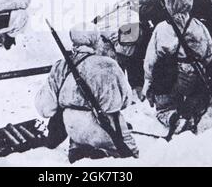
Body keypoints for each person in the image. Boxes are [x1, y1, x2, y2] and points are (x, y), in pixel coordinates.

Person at [35, 23, 139, 163]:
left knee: (80, 144)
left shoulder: (61, 66)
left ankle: (78, 150)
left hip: (73, 128)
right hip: (104, 127)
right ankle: (103, 151)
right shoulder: (108, 64)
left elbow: (45, 107)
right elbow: (124, 101)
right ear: (94, 40)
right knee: (133, 157)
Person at [140, 0, 212, 134]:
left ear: (169, 5)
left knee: (163, 107)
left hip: (168, 78)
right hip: (192, 76)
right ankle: (190, 112)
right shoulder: (199, 26)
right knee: (197, 95)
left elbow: (151, 59)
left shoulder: (161, 28)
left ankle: (171, 116)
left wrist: (148, 83)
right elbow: (210, 52)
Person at [95, 0, 161, 92]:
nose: (152, 14)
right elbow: (126, 51)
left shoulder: (123, 5)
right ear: (145, 7)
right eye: (152, 9)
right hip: (108, 57)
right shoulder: (133, 22)